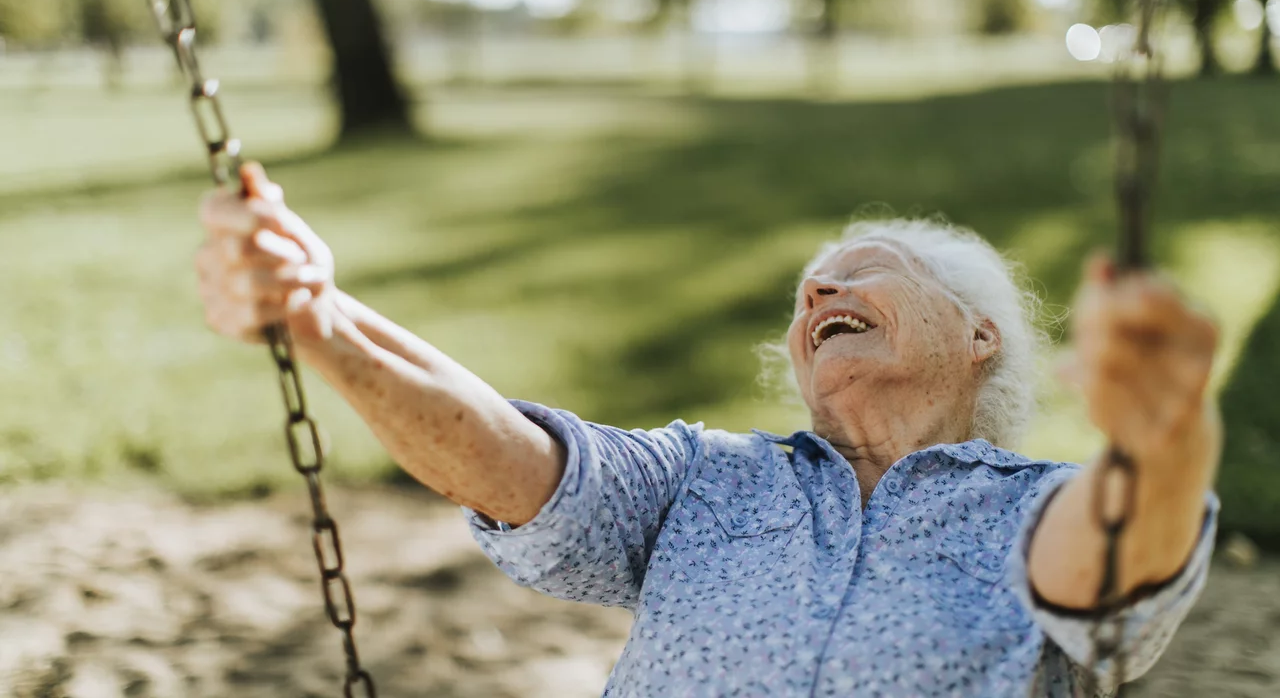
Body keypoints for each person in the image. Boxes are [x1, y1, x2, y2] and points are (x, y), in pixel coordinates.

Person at [195, 164, 1220, 697]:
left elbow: (1117, 552)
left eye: (864, 270)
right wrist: (317, 315)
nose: (820, 284)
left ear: (978, 334)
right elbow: (515, 463)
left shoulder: (1028, 507)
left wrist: (1161, 436)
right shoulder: (707, 478)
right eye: (807, 290)